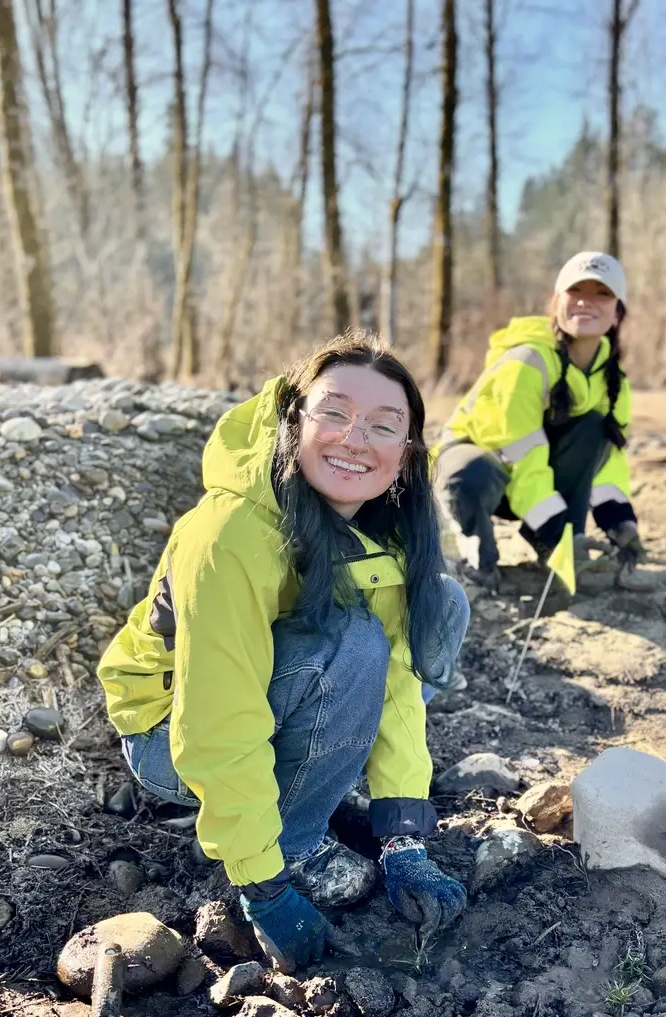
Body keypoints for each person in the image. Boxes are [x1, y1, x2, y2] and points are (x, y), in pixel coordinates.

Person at [97, 333, 469, 972]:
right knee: (354, 645)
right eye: (335, 413)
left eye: (384, 426)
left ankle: (311, 789)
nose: (355, 439)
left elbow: (399, 689)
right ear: (293, 420)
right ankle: (292, 841)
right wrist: (264, 887)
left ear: (407, 456)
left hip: (267, 704)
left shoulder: (378, 531)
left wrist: (404, 836)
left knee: (441, 605)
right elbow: (217, 717)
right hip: (172, 735)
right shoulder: (230, 535)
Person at [435, 251, 643, 591]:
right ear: (557, 302)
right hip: (485, 468)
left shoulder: (613, 379)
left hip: (531, 477)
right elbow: (521, 453)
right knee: (466, 477)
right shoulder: (527, 361)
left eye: (601, 293)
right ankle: (476, 562)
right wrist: (555, 532)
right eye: (576, 291)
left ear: (618, 311)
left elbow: (608, 459)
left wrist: (619, 520)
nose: (585, 302)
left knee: (594, 428)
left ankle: (556, 545)